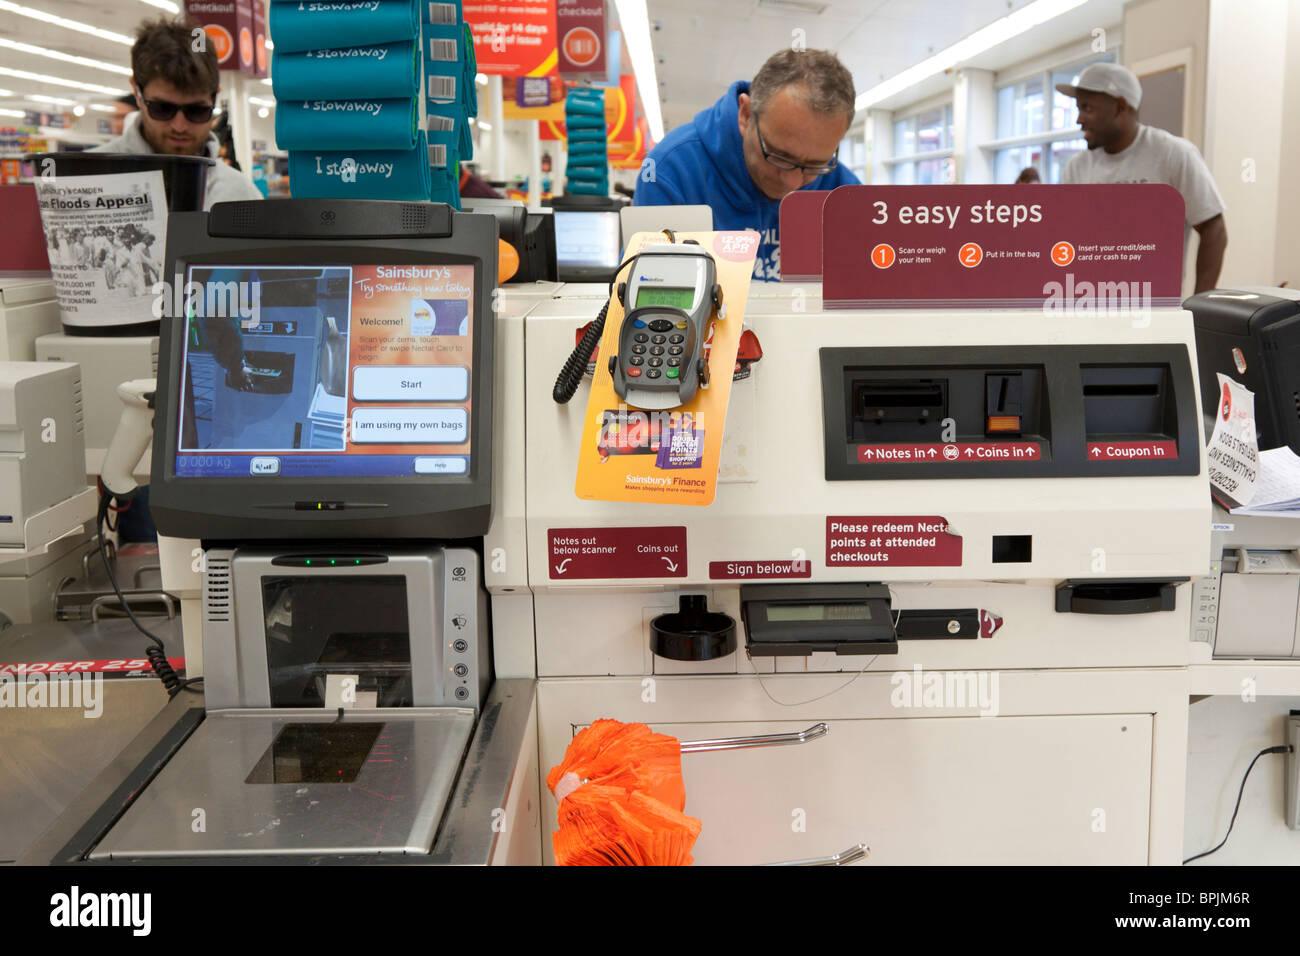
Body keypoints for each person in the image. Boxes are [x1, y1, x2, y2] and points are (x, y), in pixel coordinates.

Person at [633, 49, 860, 281]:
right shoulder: (670, 171)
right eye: (779, 156)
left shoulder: (845, 195)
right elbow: (645, 295)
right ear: (746, 114)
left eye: (815, 165)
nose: (792, 184)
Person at [1056, 62, 1226, 293]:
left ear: (1119, 107)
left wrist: (1201, 306)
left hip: (1154, 309)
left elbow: (1213, 228)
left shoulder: (1173, 153)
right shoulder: (1077, 167)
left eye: (1087, 108)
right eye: (1078, 108)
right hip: (1089, 302)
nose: (1079, 119)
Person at [94, 16, 262, 210]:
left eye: (197, 111)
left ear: (215, 97)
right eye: (163, 109)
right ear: (137, 93)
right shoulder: (84, 179)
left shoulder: (242, 196)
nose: (179, 126)